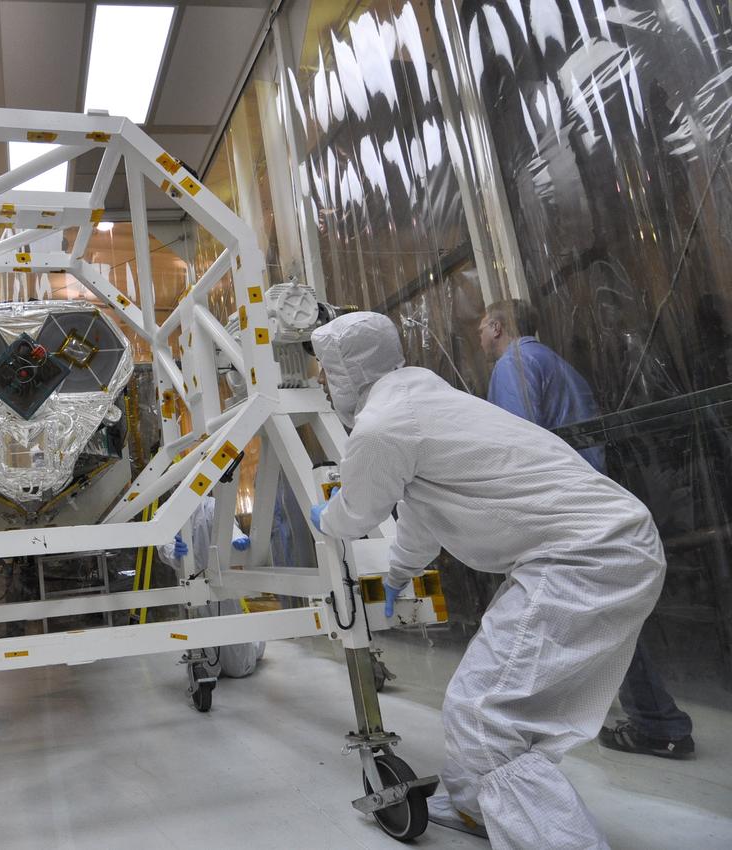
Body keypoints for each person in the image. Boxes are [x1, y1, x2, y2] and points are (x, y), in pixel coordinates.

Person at [309, 311, 665, 849]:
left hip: (582, 558)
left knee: (484, 714)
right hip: (608, 544)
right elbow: (425, 514)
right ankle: (477, 807)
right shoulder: (431, 403)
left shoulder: (384, 426)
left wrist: (327, 516)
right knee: (488, 697)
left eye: (323, 371)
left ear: (342, 371)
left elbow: (356, 513)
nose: (319, 382)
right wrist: (401, 573)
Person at [480, 299, 695, 760]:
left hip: (557, 509)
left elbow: (517, 441)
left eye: (483, 326)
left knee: (573, 615)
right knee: (597, 614)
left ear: (497, 326)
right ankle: (654, 720)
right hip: (591, 499)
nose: (481, 335)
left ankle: (654, 723)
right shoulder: (558, 365)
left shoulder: (512, 364)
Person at [157, 495, 263, 678]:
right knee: (205, 663)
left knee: (239, 667)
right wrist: (173, 552)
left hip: (218, 585)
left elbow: (226, 524)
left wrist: (236, 538)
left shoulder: (209, 505)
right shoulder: (168, 510)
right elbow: (161, 537)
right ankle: (205, 667)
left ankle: (257, 641)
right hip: (189, 587)